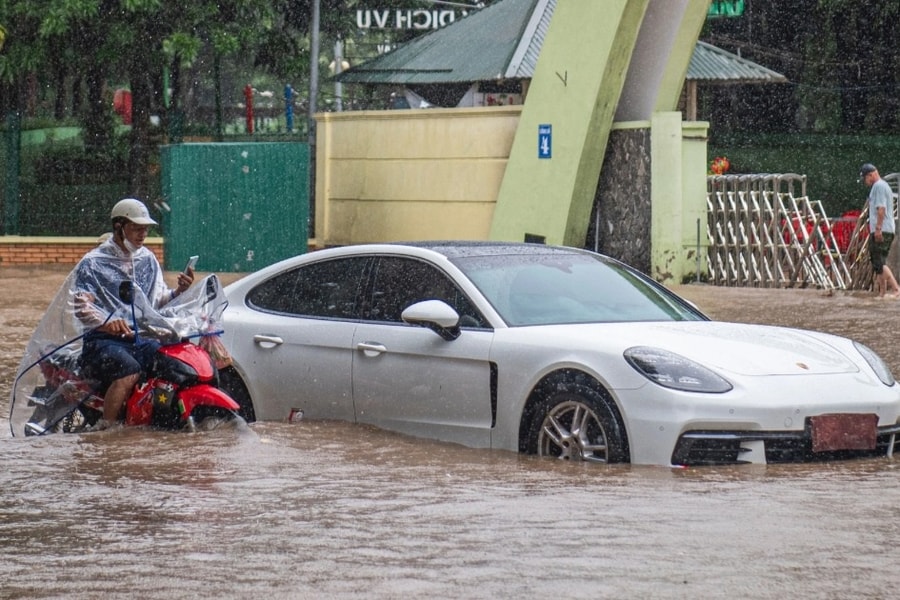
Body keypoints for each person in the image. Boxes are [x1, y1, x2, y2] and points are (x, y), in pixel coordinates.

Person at [73, 198, 194, 429]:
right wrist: (107, 324)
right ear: (118, 227)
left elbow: (156, 301)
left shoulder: (147, 259)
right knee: (129, 372)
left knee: (172, 362)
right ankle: (107, 430)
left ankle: (156, 418)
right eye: (137, 228)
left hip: (139, 337)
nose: (142, 234)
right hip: (103, 341)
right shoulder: (93, 262)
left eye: (146, 229)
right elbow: (82, 306)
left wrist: (180, 290)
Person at [860, 163, 900, 298]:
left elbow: (881, 209)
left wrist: (878, 229)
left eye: (865, 179)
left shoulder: (879, 186)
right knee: (878, 262)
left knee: (878, 262)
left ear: (870, 175)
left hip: (882, 229)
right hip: (885, 228)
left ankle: (896, 289)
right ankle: (882, 293)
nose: (865, 182)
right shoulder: (881, 186)